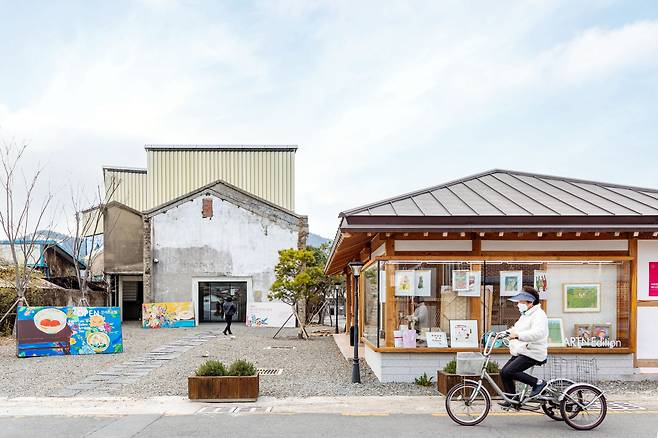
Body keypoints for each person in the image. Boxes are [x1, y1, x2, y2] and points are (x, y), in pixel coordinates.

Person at [499, 286, 548, 406]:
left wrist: (517, 336)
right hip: (523, 350)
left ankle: (538, 383)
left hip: (533, 351)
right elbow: (516, 329)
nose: (518, 304)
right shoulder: (526, 315)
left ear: (530, 302)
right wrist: (503, 334)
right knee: (504, 372)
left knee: (510, 371)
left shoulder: (539, 315)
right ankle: (513, 400)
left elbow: (538, 333)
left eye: (521, 302)